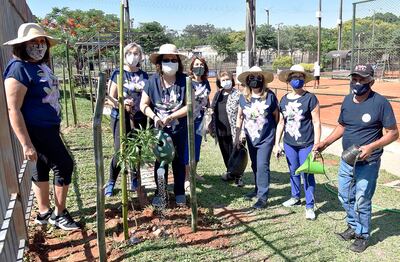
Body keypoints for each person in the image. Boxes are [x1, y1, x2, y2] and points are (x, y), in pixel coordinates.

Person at [313, 64, 398, 252]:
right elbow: (342, 126)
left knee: (362, 199)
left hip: (368, 162)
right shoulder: (347, 100)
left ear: (371, 81)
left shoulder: (380, 103)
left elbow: (393, 133)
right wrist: (325, 143)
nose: (357, 83)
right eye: (355, 79)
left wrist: (371, 147)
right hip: (347, 160)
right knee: (344, 196)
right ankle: (352, 226)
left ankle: (362, 235)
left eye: (362, 79)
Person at [3, 23, 79, 230]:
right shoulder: (18, 69)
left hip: (48, 126)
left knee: (42, 166)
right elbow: (13, 109)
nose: (39, 46)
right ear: (22, 45)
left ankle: (44, 212)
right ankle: (59, 214)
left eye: (41, 42)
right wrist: (26, 143)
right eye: (33, 42)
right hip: (36, 128)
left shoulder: (39, 65)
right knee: (64, 165)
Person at [140, 43, 188, 207]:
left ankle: (180, 192)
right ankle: (160, 192)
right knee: (161, 162)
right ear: (159, 62)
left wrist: (173, 115)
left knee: (179, 162)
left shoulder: (184, 81)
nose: (170, 62)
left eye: (173, 59)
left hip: (179, 129)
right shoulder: (152, 81)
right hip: (159, 131)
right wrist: (154, 116)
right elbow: (143, 104)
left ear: (178, 62)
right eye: (166, 59)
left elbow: (190, 105)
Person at [275, 64, 321, 220]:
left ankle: (309, 205)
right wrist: (277, 143)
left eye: (300, 77)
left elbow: (316, 122)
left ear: (304, 80)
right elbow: (281, 122)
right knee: (293, 170)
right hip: (289, 143)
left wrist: (317, 145)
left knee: (307, 173)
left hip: (306, 143)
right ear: (289, 80)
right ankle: (295, 197)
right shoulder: (283, 99)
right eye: (294, 77)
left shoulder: (310, 98)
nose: (297, 80)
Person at [104, 42, 148, 197]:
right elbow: (110, 98)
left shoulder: (144, 75)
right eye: (130, 53)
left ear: (141, 56)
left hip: (139, 118)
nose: (133, 56)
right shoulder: (118, 73)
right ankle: (111, 181)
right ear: (124, 55)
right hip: (120, 117)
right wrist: (121, 104)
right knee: (120, 150)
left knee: (137, 149)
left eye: (136, 53)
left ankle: (135, 178)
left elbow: (147, 96)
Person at [235, 66, 279, 209]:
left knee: (262, 165)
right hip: (250, 137)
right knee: (254, 164)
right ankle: (257, 189)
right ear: (247, 81)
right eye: (251, 77)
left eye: (258, 77)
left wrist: (276, 140)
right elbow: (240, 116)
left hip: (266, 137)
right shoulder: (243, 97)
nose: (255, 80)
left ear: (263, 80)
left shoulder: (270, 96)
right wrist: (237, 136)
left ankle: (262, 197)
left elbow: (277, 117)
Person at [208, 70, 241, 185]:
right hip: (220, 130)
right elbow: (212, 110)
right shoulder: (218, 95)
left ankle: (238, 176)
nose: (226, 82)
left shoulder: (238, 94)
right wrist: (211, 126)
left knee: (235, 154)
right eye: (223, 80)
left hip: (233, 129)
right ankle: (230, 173)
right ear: (219, 82)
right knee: (226, 153)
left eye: (228, 79)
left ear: (232, 80)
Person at [183, 56, 210, 189]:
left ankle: (194, 173)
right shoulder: (188, 82)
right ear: (192, 67)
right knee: (188, 148)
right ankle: (187, 177)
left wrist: (209, 112)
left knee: (197, 147)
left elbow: (207, 100)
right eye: (197, 64)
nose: (199, 67)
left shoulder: (206, 83)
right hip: (189, 120)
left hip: (201, 120)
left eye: (202, 65)